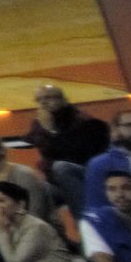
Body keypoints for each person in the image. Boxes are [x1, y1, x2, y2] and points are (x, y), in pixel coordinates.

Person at [28, 83, 110, 215]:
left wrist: (51, 131)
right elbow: (43, 150)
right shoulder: (38, 123)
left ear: (63, 100)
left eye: (48, 98)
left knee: (61, 167)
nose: (43, 103)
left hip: (84, 176)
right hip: (55, 181)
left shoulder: (81, 119)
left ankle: (86, 221)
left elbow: (74, 154)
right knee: (30, 188)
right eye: (39, 100)